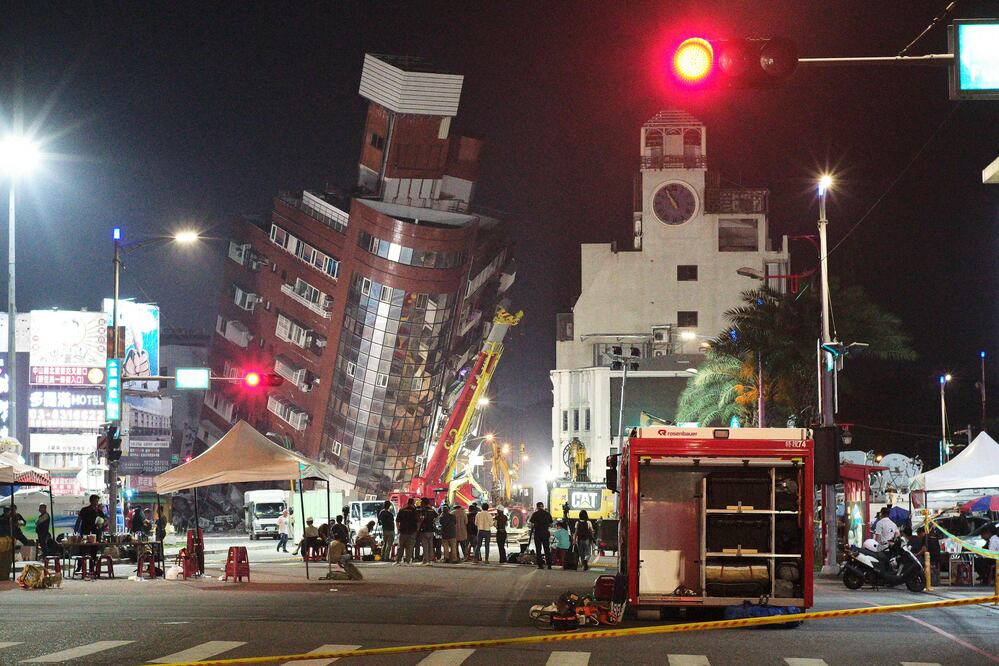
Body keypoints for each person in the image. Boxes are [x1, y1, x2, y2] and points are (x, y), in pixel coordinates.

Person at [529, 502, 554, 570]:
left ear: (537, 507)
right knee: (547, 549)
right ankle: (549, 565)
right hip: (545, 533)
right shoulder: (547, 514)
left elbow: (531, 524)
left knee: (538, 549)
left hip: (538, 533)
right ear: (542, 506)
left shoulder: (535, 514)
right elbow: (551, 524)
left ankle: (540, 565)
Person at [395, 498, 419, 565]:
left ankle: (398, 561)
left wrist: (398, 529)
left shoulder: (402, 510)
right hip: (412, 531)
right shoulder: (415, 511)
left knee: (400, 546)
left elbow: (397, 521)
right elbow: (418, 521)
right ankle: (407, 561)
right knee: (410, 547)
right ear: (413, 503)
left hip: (403, 530)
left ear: (407, 502)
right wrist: (417, 529)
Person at [417, 499, 437, 565]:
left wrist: (418, 528)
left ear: (423, 503)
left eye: (421, 502)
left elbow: (421, 519)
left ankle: (426, 560)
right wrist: (432, 522)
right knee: (430, 545)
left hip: (424, 530)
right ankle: (430, 560)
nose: (421, 504)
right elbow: (437, 517)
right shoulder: (432, 510)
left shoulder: (423, 510)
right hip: (431, 530)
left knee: (425, 546)